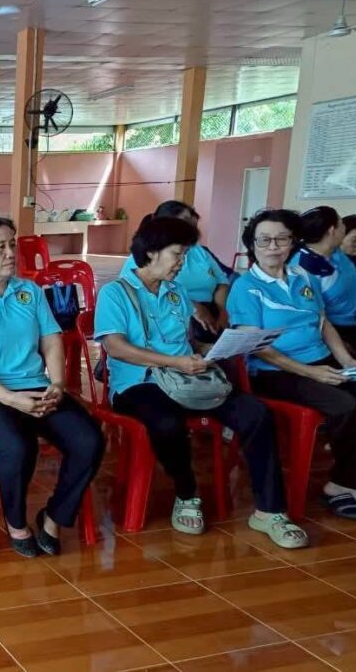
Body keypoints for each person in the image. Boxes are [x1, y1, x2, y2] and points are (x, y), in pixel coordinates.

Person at [96, 215, 307, 545]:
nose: (182, 262)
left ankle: (270, 511)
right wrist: (176, 362)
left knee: (256, 413)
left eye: (184, 254)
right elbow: (116, 347)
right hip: (138, 383)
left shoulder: (176, 292)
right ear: (151, 251)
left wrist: (221, 349)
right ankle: (186, 493)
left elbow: (188, 343)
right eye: (177, 254)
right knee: (166, 422)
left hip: (189, 378)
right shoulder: (116, 293)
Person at [0, 218, 105, 557]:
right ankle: (16, 523)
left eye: (12, 244)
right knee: (17, 445)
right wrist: (10, 399)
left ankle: (54, 517)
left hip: (35, 386)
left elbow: (51, 340)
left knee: (89, 439)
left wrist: (57, 383)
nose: (10, 253)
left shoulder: (28, 291)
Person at [228, 209, 356, 519]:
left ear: (292, 242)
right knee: (346, 406)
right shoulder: (246, 287)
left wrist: (347, 360)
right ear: (252, 244)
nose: (273, 246)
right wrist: (311, 372)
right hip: (275, 372)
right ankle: (349, 482)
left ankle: (347, 480)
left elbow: (322, 322)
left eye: (282, 239)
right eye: (264, 240)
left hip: (319, 359)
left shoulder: (303, 276)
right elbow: (258, 347)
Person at [120, 200, 230, 344]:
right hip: (179, 318)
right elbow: (120, 345)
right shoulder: (126, 283)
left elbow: (222, 281)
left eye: (192, 222)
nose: (182, 262)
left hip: (207, 315)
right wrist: (192, 307)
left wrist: (222, 312)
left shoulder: (199, 253)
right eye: (177, 254)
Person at [296, 206, 356, 359]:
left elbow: (354, 282)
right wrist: (337, 345)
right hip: (331, 335)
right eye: (342, 223)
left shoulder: (336, 252)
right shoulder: (302, 267)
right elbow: (308, 313)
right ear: (332, 230)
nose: (344, 227)